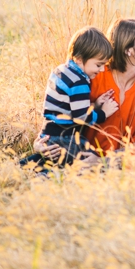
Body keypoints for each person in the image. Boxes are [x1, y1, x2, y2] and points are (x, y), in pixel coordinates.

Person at [32, 18, 135, 162]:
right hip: (75, 156)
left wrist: (103, 162)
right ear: (128, 49)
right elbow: (60, 113)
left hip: (118, 167)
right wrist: (40, 144)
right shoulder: (91, 76)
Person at [37, 26, 118, 165]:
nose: (102, 69)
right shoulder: (79, 82)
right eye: (98, 64)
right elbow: (81, 117)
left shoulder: (61, 71)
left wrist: (95, 104)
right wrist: (103, 113)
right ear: (80, 59)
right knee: (90, 162)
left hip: (49, 134)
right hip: (64, 138)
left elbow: (66, 107)